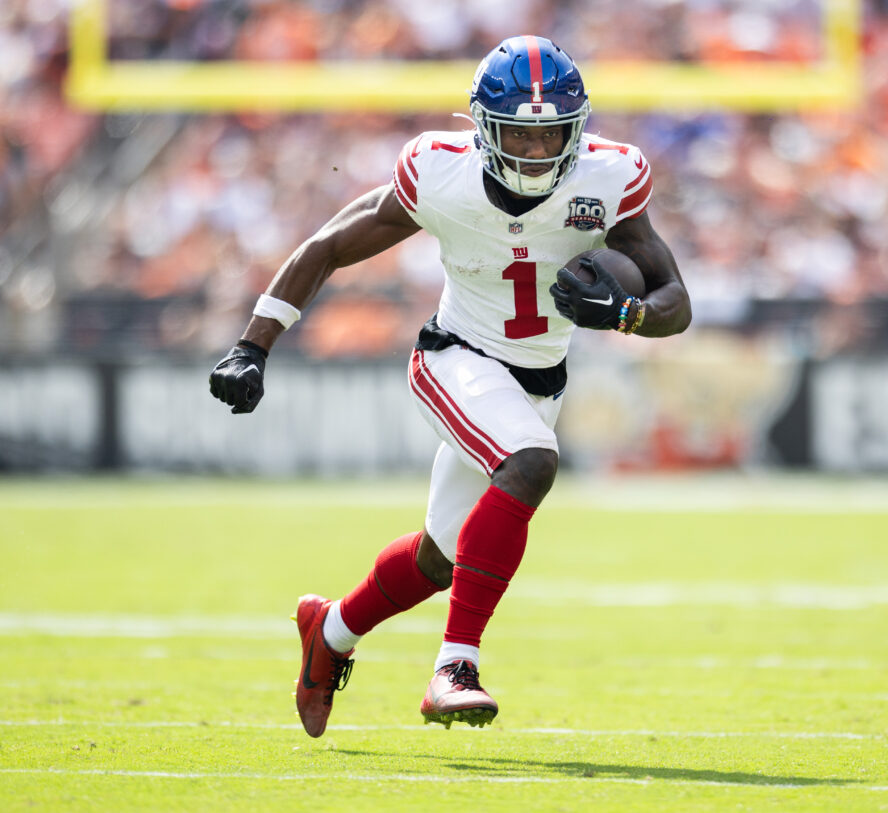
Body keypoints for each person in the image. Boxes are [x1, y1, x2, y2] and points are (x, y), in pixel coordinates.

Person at [208, 35, 691, 737]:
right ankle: (454, 667)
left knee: (441, 557)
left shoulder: (609, 178)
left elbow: (675, 298)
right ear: (485, 131)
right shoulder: (440, 173)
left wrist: (628, 313)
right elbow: (329, 245)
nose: (535, 151)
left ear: (577, 129)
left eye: (551, 133)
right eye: (519, 137)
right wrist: (253, 344)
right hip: (454, 356)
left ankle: (330, 630)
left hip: (538, 382)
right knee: (532, 462)